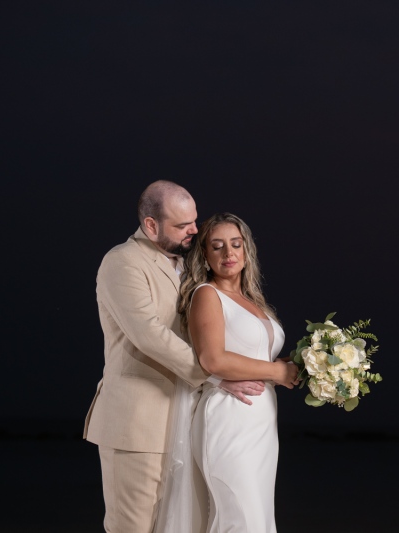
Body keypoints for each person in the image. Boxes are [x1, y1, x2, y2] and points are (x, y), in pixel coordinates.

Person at [84, 181, 266, 533]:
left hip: (188, 423)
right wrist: (216, 374)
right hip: (138, 426)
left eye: (194, 221)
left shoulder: (186, 268)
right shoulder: (122, 262)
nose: (194, 231)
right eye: (182, 225)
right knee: (134, 527)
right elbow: (149, 334)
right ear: (151, 225)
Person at [158, 212, 298, 533]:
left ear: (247, 251)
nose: (228, 253)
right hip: (228, 417)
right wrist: (277, 371)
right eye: (217, 246)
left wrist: (308, 364)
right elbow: (212, 359)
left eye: (236, 244)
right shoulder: (207, 294)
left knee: (257, 519)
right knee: (240, 518)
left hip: (260, 424)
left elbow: (256, 357)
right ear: (205, 255)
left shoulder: (253, 303)